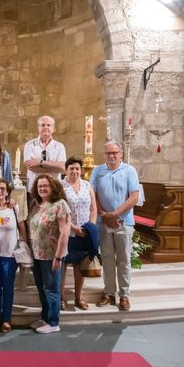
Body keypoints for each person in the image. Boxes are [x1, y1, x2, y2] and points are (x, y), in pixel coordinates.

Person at [90, 141, 140, 311]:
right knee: (107, 258)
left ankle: (124, 295)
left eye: (114, 153)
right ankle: (109, 293)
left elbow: (133, 197)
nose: (111, 156)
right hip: (103, 221)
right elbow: (92, 194)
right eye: (108, 153)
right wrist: (104, 214)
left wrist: (115, 214)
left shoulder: (129, 170)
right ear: (104, 154)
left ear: (121, 153)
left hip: (123, 222)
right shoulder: (98, 171)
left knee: (124, 259)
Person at [0, 178, 27, 333]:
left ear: (7, 192)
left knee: (7, 287)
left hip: (10, 254)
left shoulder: (14, 208)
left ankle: (6, 320)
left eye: (2, 189)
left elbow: (22, 228)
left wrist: (24, 246)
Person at [28, 174, 71, 334]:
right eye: (39, 186)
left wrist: (58, 257)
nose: (42, 188)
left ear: (53, 187)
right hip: (37, 254)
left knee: (52, 289)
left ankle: (54, 322)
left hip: (52, 255)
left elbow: (64, 233)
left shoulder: (60, 205)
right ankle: (45, 318)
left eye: (45, 185)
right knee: (41, 288)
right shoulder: (37, 205)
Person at [60, 157, 97, 311]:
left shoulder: (87, 185)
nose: (75, 171)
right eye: (71, 169)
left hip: (84, 233)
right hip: (67, 233)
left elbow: (93, 209)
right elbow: (60, 211)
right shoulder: (61, 186)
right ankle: (61, 298)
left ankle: (78, 297)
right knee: (62, 265)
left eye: (77, 168)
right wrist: (74, 228)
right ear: (66, 170)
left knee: (79, 266)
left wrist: (90, 227)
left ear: (81, 170)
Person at [23, 115, 67, 196]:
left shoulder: (60, 146)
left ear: (53, 129)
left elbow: (63, 168)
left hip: (54, 189)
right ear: (38, 128)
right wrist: (54, 167)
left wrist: (40, 162)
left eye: (48, 125)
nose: (45, 127)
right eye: (42, 125)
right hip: (34, 190)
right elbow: (31, 167)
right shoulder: (30, 145)